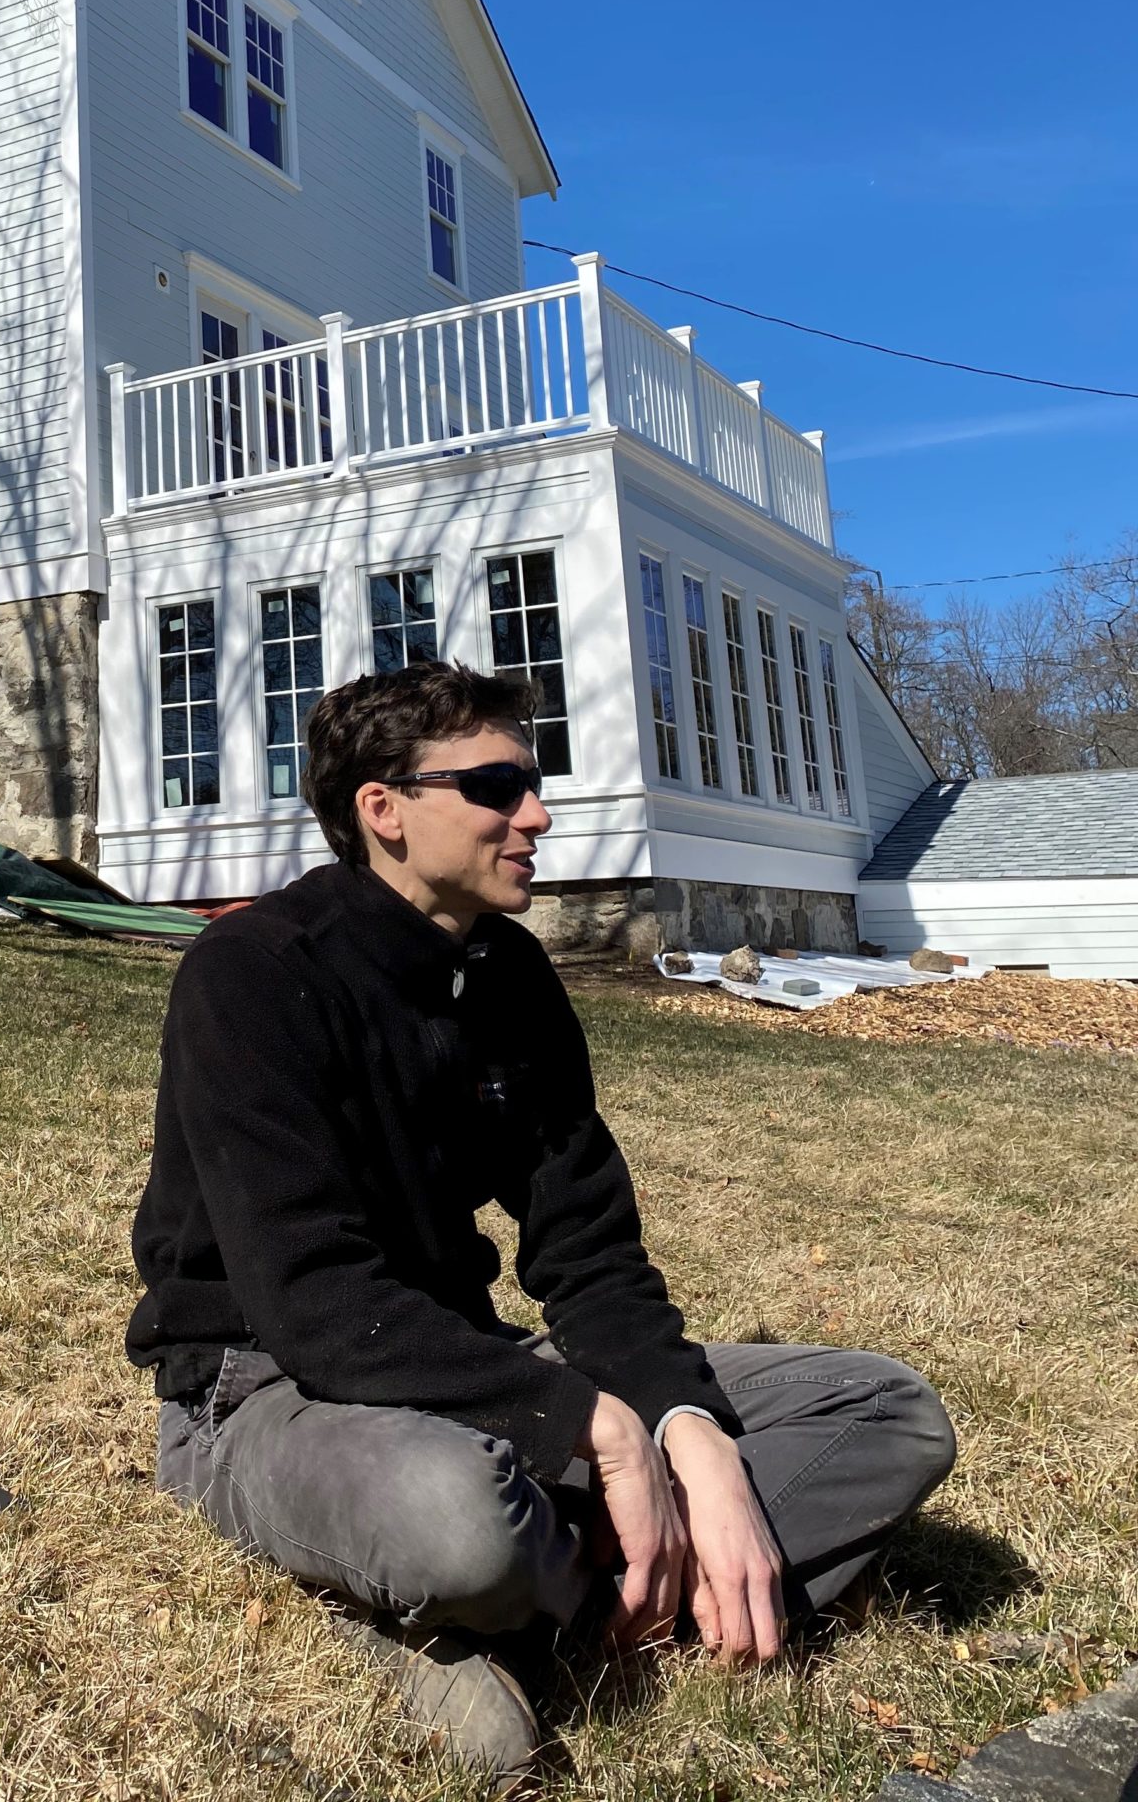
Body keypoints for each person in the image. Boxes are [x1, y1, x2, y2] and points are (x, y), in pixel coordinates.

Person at [127, 660, 956, 1787]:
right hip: (267, 1388)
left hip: (457, 1368)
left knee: (884, 1410)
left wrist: (684, 1431)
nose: (538, 811)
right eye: (498, 784)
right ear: (384, 810)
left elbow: (589, 1250)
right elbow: (312, 1302)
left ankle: (545, 1610)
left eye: (534, 778)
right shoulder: (252, 976)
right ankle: (589, 1592)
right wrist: (596, 1429)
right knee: (461, 1514)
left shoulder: (509, 977)